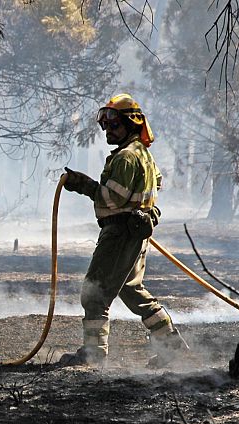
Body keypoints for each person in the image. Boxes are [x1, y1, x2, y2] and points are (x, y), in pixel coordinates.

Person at [60, 93, 188, 368]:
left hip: (119, 234)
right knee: (131, 290)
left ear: (131, 124)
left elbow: (111, 199)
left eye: (114, 124)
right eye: (105, 124)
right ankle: (170, 343)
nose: (108, 129)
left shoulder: (126, 158)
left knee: (94, 292)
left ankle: (93, 354)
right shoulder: (144, 155)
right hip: (136, 234)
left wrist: (82, 183)